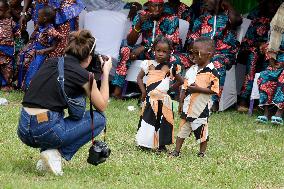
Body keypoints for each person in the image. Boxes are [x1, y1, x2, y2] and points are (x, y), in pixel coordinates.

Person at [17, 30, 112, 176]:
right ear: (88, 58)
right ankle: (56, 154)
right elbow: (102, 105)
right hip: (46, 130)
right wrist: (105, 73)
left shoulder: (50, 62)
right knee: (99, 119)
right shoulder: (83, 75)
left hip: (23, 128)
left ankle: (47, 157)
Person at [112, 0, 191, 99]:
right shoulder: (142, 16)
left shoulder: (171, 19)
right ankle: (117, 92)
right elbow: (130, 42)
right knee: (125, 50)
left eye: (160, 6)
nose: (157, 9)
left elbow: (168, 44)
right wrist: (139, 24)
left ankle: (168, 94)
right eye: (154, 6)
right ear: (148, 5)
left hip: (165, 52)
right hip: (147, 52)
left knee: (171, 59)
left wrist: (144, 47)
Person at [185, 0, 242, 111]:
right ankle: (180, 97)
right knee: (179, 60)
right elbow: (191, 39)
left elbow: (237, 20)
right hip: (201, 53)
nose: (205, 2)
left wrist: (227, 4)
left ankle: (213, 102)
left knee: (217, 63)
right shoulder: (201, 19)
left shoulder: (227, 18)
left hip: (223, 54)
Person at [170, 37, 219, 157]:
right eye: (192, 52)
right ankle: (176, 151)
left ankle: (202, 153)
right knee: (182, 131)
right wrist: (181, 103)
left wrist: (197, 89)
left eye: (197, 52)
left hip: (200, 109)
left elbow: (214, 90)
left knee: (201, 132)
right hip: (187, 107)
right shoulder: (191, 70)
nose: (193, 55)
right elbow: (184, 87)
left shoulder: (212, 72)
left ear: (209, 54)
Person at [136, 35, 183, 152]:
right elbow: (139, 78)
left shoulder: (171, 67)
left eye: (164, 51)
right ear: (153, 50)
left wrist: (170, 89)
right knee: (148, 120)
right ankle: (145, 143)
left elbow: (181, 81)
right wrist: (143, 91)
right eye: (158, 51)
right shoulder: (148, 64)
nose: (161, 54)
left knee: (163, 122)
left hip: (164, 100)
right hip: (150, 99)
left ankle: (161, 145)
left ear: (169, 53)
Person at [237, 0, 281, 112]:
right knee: (253, 57)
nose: (273, 5)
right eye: (271, 2)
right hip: (255, 48)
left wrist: (270, 48)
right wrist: (260, 45)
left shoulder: (280, 19)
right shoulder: (256, 16)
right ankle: (243, 99)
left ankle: (260, 102)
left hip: (275, 52)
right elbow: (247, 40)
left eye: (276, 3)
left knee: (269, 61)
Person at [18, 6, 63, 90]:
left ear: (45, 19)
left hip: (42, 55)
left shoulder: (51, 30)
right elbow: (33, 38)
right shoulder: (40, 27)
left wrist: (44, 51)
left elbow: (54, 46)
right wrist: (28, 46)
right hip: (36, 52)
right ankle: (26, 87)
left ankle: (33, 89)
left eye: (38, 17)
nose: (36, 18)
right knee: (30, 68)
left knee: (36, 70)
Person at [19, 0, 85, 58]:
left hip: (63, 14)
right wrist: (23, 13)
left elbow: (60, 38)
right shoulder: (41, 17)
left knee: (61, 51)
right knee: (41, 43)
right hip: (43, 12)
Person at [256, 3, 284, 125]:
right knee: (265, 75)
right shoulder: (280, 20)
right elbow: (272, 43)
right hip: (278, 58)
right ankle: (266, 113)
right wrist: (272, 60)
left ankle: (279, 113)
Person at [0, 0, 20, 91]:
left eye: (0, 10)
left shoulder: (10, 22)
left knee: (7, 68)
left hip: (7, 50)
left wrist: (18, 47)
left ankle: (6, 85)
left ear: (6, 11)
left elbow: (17, 34)